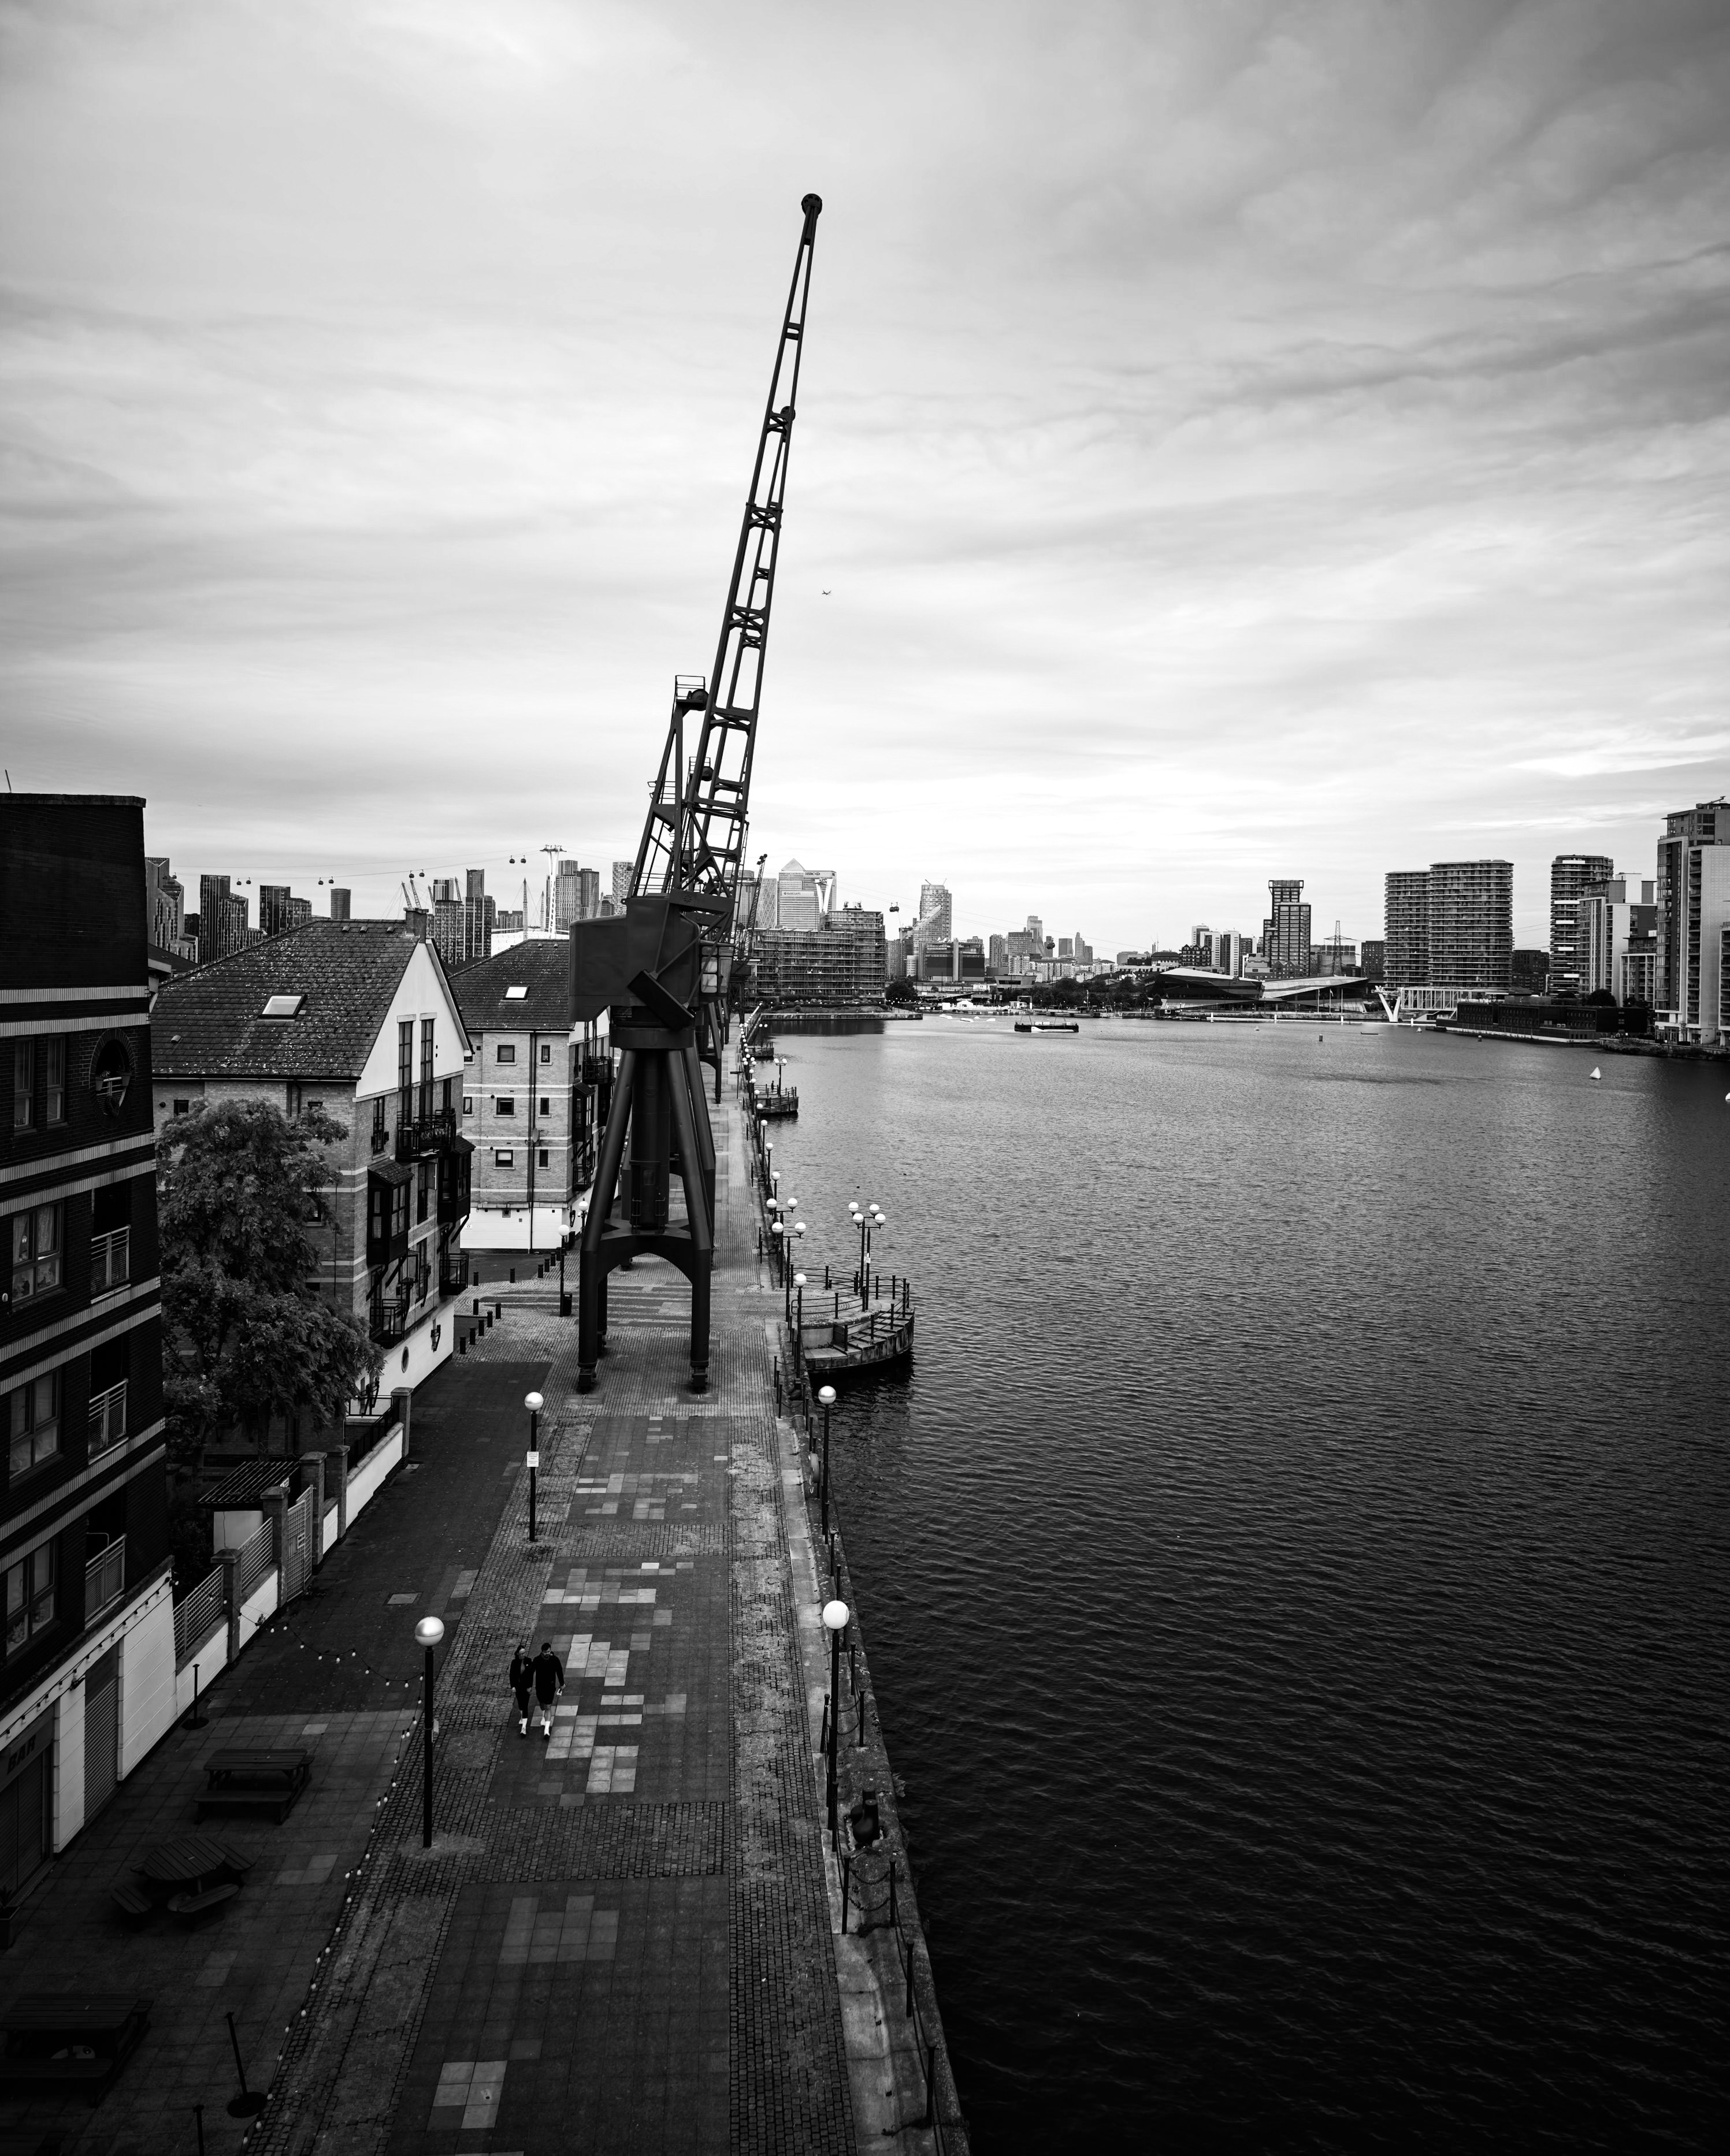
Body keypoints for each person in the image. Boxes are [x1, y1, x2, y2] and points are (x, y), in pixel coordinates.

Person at [530, 1639, 565, 1738]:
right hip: (540, 1687)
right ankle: (543, 1715)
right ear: (542, 1652)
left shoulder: (555, 1660)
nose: (547, 1654)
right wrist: (529, 1685)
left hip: (550, 1687)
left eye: (549, 1652)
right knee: (542, 1704)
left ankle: (547, 1730)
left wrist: (562, 1683)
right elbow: (531, 1672)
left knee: (548, 1707)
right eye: (545, 1652)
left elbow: (559, 1672)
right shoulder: (537, 1660)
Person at [508, 1644, 534, 1737]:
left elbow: (531, 1675)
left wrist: (530, 1686)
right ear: (518, 1654)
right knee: (520, 1704)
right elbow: (512, 1675)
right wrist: (513, 1686)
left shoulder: (528, 1661)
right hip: (518, 1687)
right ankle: (522, 1717)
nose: (524, 1655)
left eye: (524, 1653)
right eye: (522, 1654)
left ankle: (524, 1728)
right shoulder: (514, 1663)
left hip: (526, 1687)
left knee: (525, 1705)